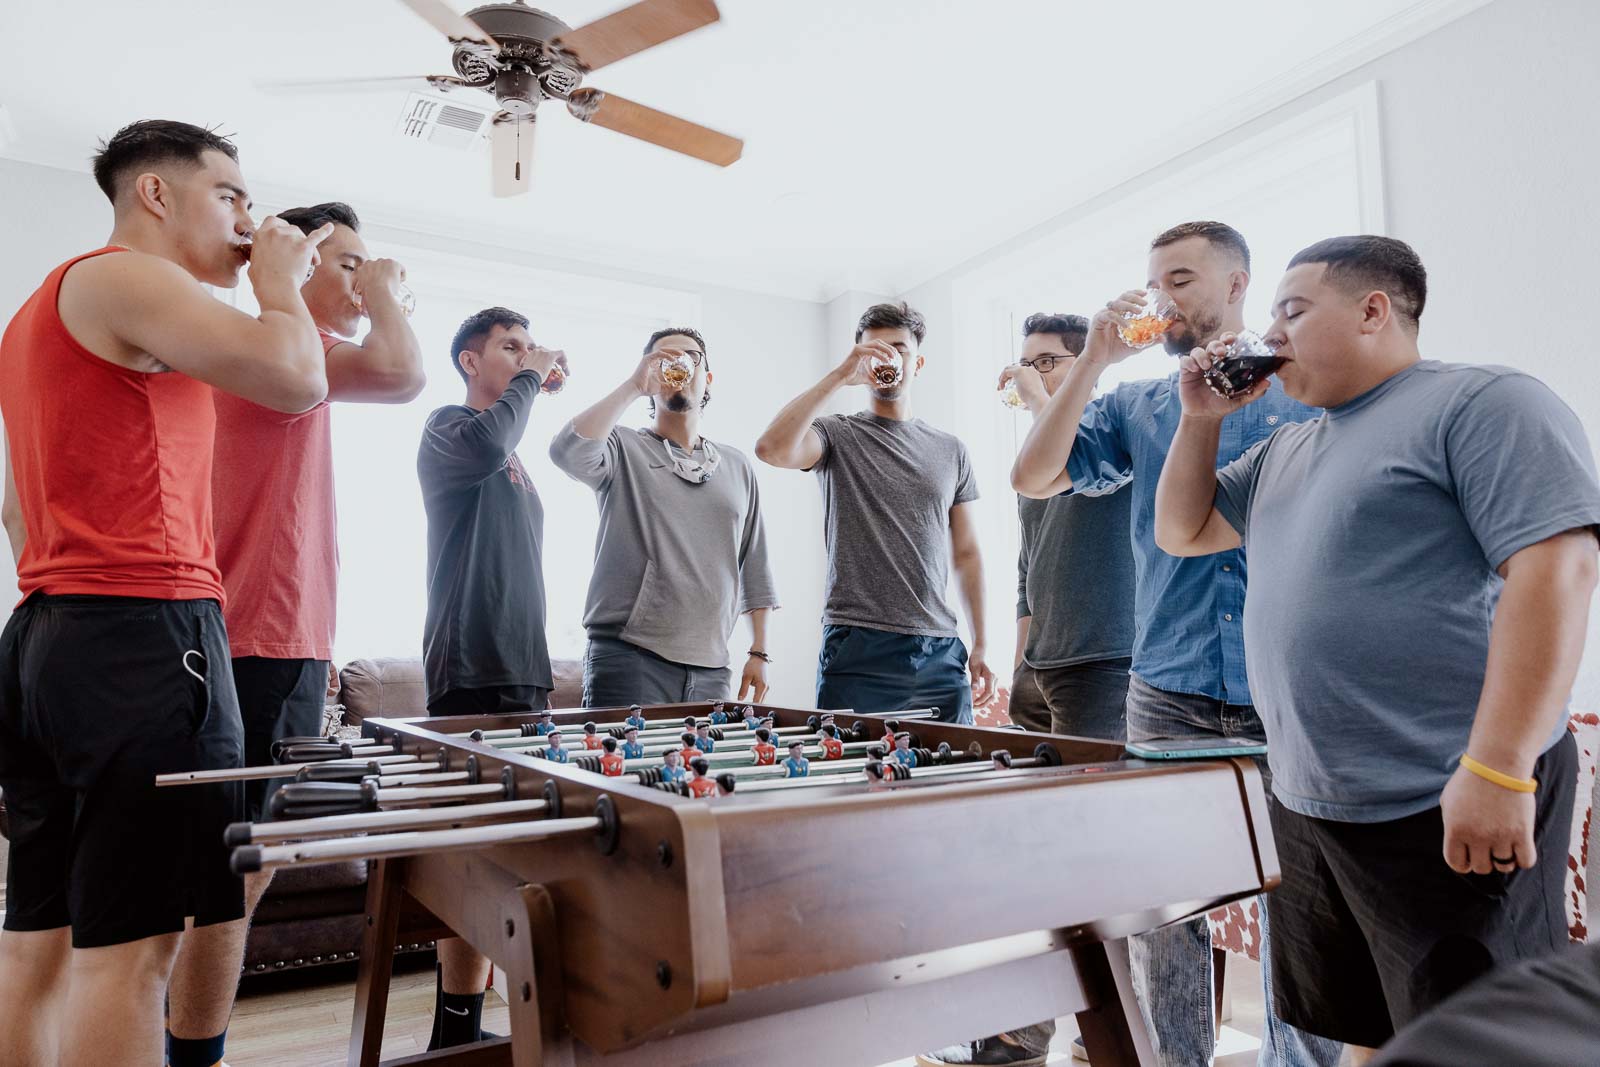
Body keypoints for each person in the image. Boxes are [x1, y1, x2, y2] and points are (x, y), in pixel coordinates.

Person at [1153, 235, 1600, 1059]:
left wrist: (1499, 767)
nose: (1272, 333)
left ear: (1373, 310)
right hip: (1314, 802)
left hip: (1446, 794)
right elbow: (1183, 530)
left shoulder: (1485, 402)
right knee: (1365, 1030)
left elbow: (1559, 568)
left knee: (1474, 1040)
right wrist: (1199, 418)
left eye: (1292, 310)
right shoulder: (1286, 446)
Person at [0, 119, 330, 1067]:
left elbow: (17, 515)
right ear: (156, 193)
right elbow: (297, 375)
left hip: (49, 635)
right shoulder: (130, 276)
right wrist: (278, 279)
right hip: (143, 634)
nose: (246, 215)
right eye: (231, 194)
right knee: (133, 952)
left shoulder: (40, 311)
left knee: (45, 942)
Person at [991, 221, 1339, 1067]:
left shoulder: (1307, 391)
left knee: (1303, 905)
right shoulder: (1133, 403)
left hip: (1285, 689)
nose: (1164, 297)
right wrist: (1091, 363)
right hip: (1168, 689)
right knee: (1163, 911)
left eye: (1182, 278)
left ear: (1237, 285)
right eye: (1155, 281)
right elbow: (1034, 475)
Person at [166, 199, 427, 1063]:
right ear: (298, 264)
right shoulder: (289, 351)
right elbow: (402, 371)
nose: (364, 275)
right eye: (347, 261)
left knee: (232, 870)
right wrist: (388, 293)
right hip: (265, 638)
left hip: (266, 637)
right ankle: (188, 1053)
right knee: (238, 874)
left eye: (368, 263)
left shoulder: (261, 350)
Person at [416, 305, 566, 1049]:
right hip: (468, 667)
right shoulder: (452, 428)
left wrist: (532, 379)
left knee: (521, 856)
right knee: (471, 858)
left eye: (527, 346)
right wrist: (533, 376)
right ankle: (456, 1030)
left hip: (525, 676)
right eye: (510, 346)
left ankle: (528, 1026)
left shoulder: (515, 457)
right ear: (471, 361)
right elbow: (488, 438)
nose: (524, 354)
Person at [756, 301, 996, 723]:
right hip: (857, 647)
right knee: (852, 780)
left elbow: (968, 553)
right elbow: (771, 450)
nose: (887, 357)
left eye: (899, 347)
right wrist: (839, 376)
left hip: (940, 651)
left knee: (952, 780)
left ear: (917, 361)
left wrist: (980, 643)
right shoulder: (836, 434)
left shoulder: (951, 449)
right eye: (873, 349)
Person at [550, 326, 778, 707]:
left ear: (707, 380)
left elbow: (755, 566)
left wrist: (759, 652)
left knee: (701, 770)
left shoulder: (737, 465)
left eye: (690, 357)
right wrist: (633, 386)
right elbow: (566, 452)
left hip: (713, 670)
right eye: (663, 358)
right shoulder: (622, 446)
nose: (678, 365)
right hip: (629, 659)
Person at [998, 314, 1135, 739]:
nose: (1027, 375)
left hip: (1104, 662)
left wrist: (1040, 401)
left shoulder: (1117, 430)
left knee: (1089, 803)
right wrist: (1021, 664)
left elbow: (1088, 478)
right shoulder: (1032, 466)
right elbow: (1028, 571)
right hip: (1039, 666)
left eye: (1044, 362)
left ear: (1084, 363)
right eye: (1023, 363)